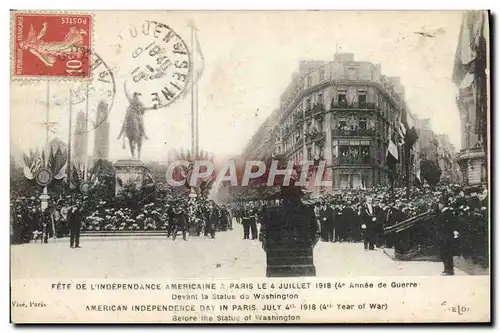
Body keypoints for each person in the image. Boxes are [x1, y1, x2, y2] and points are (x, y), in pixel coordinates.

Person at [437, 195, 459, 275]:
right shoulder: (450, 213)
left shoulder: (443, 215)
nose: (438, 205)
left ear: (442, 204)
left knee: (445, 253)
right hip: (449, 236)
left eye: (439, 204)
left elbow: (441, 227)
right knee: (449, 254)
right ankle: (450, 269)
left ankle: (447, 270)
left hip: (444, 237)